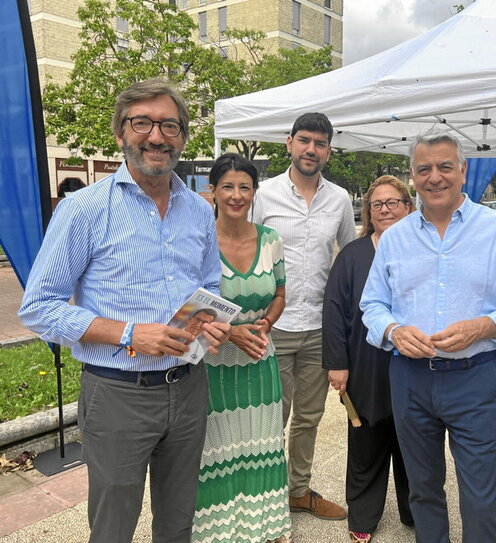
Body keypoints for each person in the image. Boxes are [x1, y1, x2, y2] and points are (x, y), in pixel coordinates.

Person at [18, 78, 231, 543]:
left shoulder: (198, 210)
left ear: (183, 137)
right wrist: (131, 333)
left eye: (169, 126)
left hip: (189, 387)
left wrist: (208, 323)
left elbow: (209, 286)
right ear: (120, 133)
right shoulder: (83, 209)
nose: (156, 136)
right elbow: (38, 308)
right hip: (118, 395)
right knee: (114, 526)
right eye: (142, 123)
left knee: (178, 521)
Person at [360, 133, 496, 543]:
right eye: (424, 169)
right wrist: (393, 330)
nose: (434, 177)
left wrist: (484, 326)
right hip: (410, 378)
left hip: (473, 378)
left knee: (480, 494)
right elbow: (372, 305)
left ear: (462, 171)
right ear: (412, 177)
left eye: (444, 167)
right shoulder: (395, 237)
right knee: (422, 490)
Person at [252, 112, 355, 521]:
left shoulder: (341, 199)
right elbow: (240, 247)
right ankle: (266, 497)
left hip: (319, 328)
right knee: (270, 418)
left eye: (320, 143)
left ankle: (298, 490)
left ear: (329, 150)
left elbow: (350, 258)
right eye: (305, 140)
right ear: (289, 143)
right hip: (272, 327)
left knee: (308, 418)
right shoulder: (263, 194)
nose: (311, 149)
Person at [193, 153, 291, 543]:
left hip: (259, 360)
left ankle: (264, 526)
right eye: (228, 187)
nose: (237, 195)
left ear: (254, 192)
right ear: (212, 191)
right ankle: (217, 533)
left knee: (262, 445)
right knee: (216, 452)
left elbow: (281, 293)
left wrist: (267, 322)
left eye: (245, 187)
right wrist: (231, 331)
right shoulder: (199, 241)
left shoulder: (271, 241)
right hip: (213, 363)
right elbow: (190, 308)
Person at [323, 176, 415, 543]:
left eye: (394, 202)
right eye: (378, 204)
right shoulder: (353, 256)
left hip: (414, 365)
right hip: (364, 365)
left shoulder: (424, 251)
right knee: (366, 445)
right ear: (368, 212)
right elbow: (333, 313)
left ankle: (415, 511)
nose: (386, 209)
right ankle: (362, 513)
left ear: (409, 207)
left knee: (415, 444)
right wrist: (337, 364)